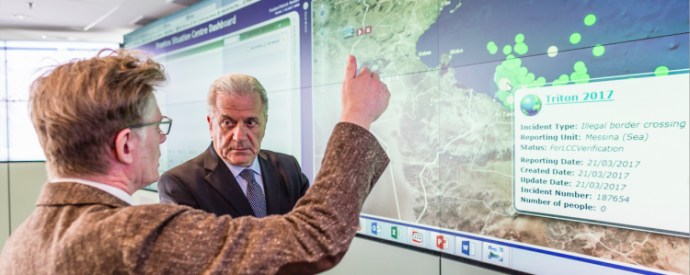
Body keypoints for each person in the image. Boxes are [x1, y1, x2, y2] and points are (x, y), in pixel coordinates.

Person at [0, 50, 390, 275]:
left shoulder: (18, 244)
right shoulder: (131, 236)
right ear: (125, 145)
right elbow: (312, 237)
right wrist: (356, 116)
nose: (161, 137)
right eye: (156, 125)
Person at [158, 74, 309, 218]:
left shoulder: (289, 169)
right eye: (228, 123)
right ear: (211, 126)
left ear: (265, 125)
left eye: (251, 123)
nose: (240, 137)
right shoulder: (179, 184)